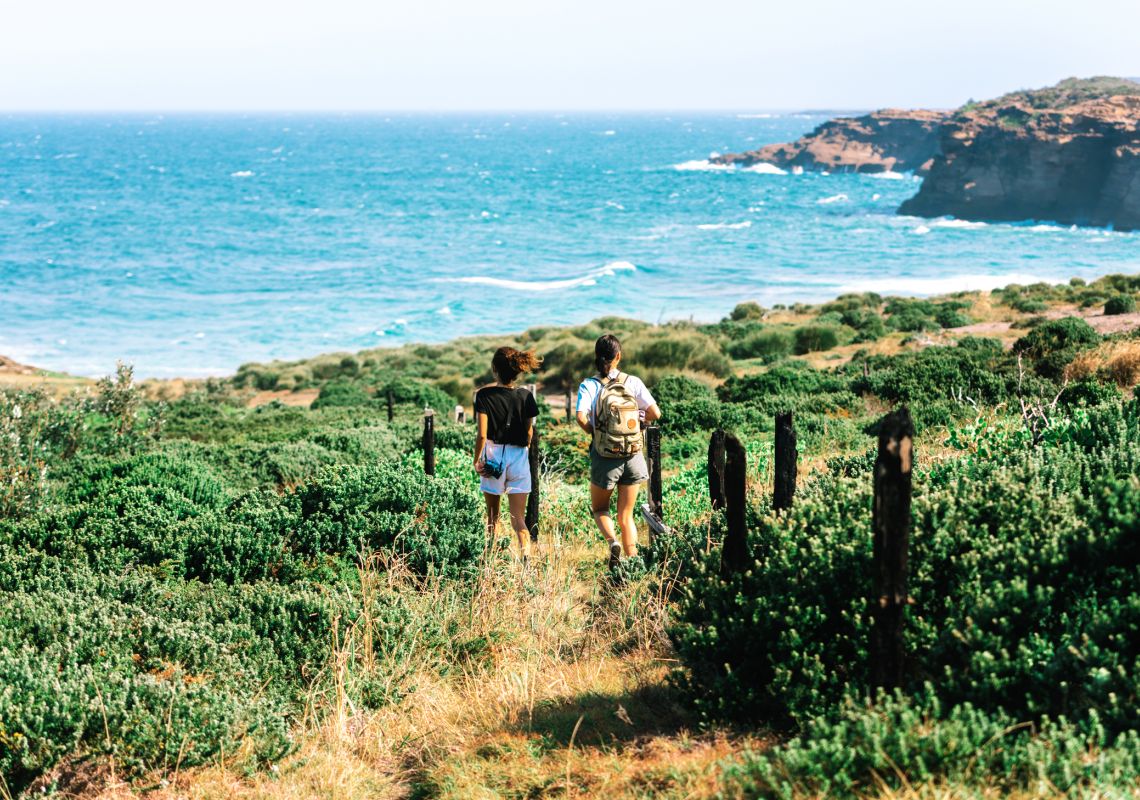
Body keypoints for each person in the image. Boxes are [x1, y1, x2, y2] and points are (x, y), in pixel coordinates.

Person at [575, 334, 661, 572]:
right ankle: (632, 564)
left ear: (596, 356)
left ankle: (613, 543)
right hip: (632, 456)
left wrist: (597, 434)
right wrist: (639, 424)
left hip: (605, 457)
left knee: (600, 509)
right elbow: (655, 412)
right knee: (627, 514)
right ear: (618, 356)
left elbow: (580, 417)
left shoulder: (589, 385)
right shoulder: (632, 382)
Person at [473, 346, 542, 563]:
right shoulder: (526, 396)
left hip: (494, 456)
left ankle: (490, 561)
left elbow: (482, 435)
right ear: (518, 370)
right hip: (519, 457)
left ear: (495, 369)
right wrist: (524, 449)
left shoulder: (484, 395)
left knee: (493, 517)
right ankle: (526, 561)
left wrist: (476, 460)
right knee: (518, 519)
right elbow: (529, 431)